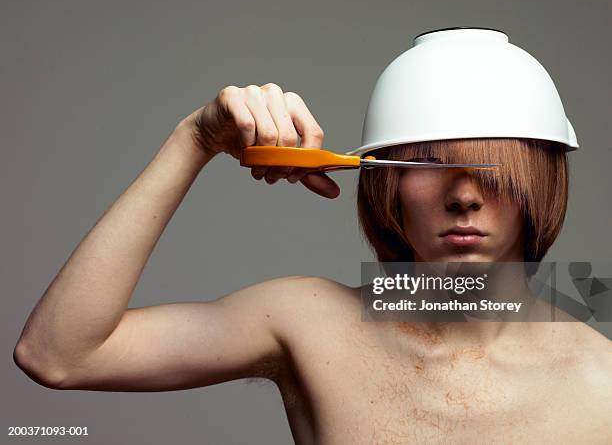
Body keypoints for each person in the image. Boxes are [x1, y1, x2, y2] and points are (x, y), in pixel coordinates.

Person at [13, 83, 612, 444]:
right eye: (426, 163)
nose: (464, 196)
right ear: (385, 182)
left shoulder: (601, 378)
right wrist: (193, 140)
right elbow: (59, 355)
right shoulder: (310, 321)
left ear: (545, 180)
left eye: (494, 167)